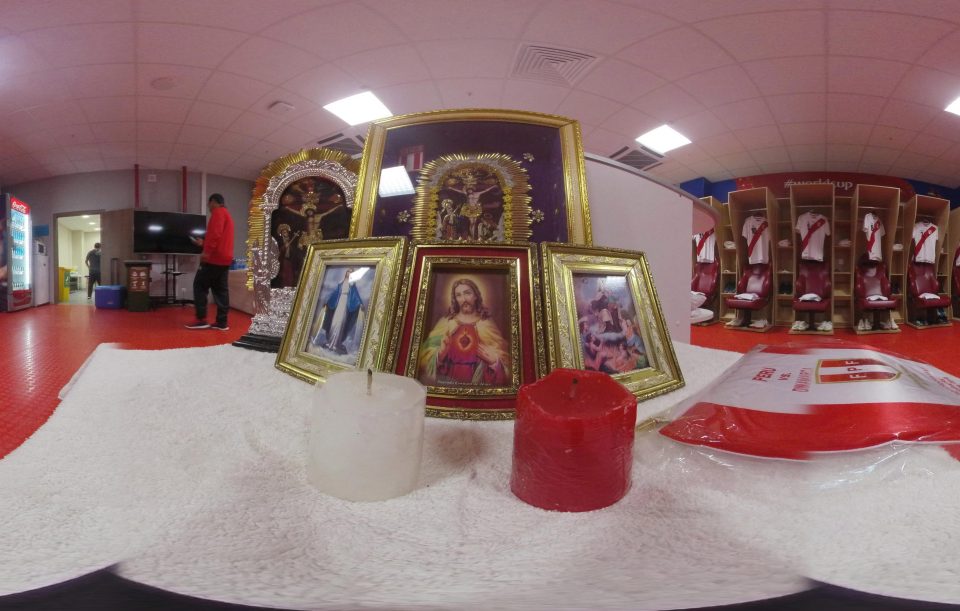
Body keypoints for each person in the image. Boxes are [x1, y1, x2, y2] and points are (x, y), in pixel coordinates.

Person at [418, 278, 510, 386]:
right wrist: (440, 354)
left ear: (475, 296)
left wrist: (495, 362)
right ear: (455, 299)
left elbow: (506, 365)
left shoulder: (487, 324)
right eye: (459, 295)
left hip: (479, 384)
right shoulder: (446, 322)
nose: (464, 299)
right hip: (447, 383)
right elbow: (424, 359)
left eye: (467, 293)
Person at [185, 193, 234, 330]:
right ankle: (222, 323)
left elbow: (215, 235)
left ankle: (201, 320)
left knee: (199, 285)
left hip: (214, 258)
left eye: (209, 204)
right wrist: (204, 243)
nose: (209, 207)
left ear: (213, 202)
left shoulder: (218, 212)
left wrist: (206, 252)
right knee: (221, 290)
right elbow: (219, 237)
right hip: (225, 259)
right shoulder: (227, 215)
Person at [313, 267, 365, 354]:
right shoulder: (340, 283)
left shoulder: (352, 285)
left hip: (345, 305)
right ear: (346, 273)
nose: (349, 273)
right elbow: (335, 294)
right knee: (334, 322)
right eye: (348, 271)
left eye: (351, 272)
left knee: (341, 323)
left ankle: (336, 344)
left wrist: (360, 303)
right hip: (338, 304)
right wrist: (328, 302)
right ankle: (330, 342)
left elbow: (356, 295)